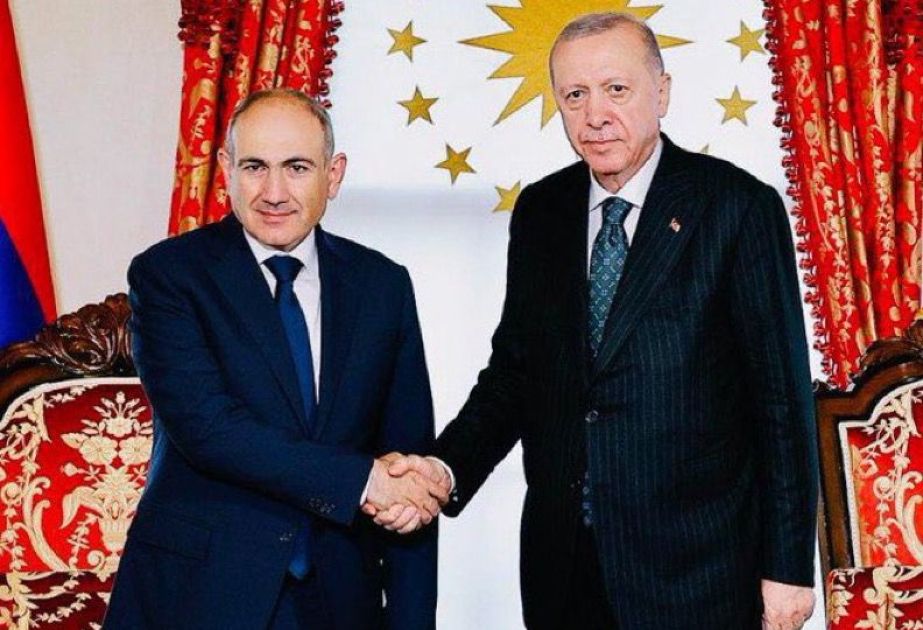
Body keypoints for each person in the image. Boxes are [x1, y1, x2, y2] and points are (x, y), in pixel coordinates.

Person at [374, 12, 818, 630]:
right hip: (564, 572)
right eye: (575, 95)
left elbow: (782, 403)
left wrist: (789, 568)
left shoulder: (737, 208)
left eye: (616, 89)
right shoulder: (542, 211)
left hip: (699, 574)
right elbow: (515, 377)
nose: (595, 115)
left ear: (661, 92)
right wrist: (442, 471)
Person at [104, 88, 445, 630]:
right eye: (255, 167)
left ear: (333, 175)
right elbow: (208, 429)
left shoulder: (383, 285)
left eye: (297, 167)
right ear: (226, 169)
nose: (274, 192)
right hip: (200, 596)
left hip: (340, 600)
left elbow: (408, 462)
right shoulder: (169, 275)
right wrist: (364, 481)